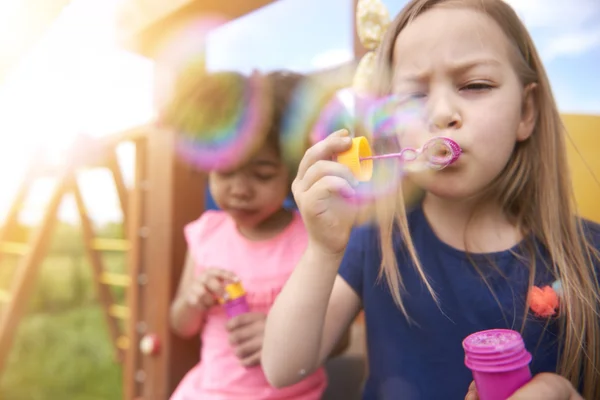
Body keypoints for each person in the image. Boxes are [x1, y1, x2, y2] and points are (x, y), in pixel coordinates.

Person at [261, 1, 600, 399]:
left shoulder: (589, 254)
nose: (441, 114)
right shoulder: (374, 240)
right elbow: (284, 368)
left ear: (526, 111)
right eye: (414, 97)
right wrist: (321, 249)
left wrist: (567, 394)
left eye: (475, 85)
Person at [168, 70, 336, 400]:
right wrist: (193, 299)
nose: (240, 190)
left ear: (291, 168)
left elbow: (337, 337)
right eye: (225, 171)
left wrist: (282, 335)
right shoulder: (207, 234)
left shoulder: (312, 240)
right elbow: (181, 324)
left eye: (262, 174)